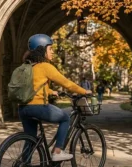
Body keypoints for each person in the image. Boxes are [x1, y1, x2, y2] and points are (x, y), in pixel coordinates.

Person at [18, 34, 92, 162]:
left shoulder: (25, 67)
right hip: (38, 107)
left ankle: (24, 164)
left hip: (23, 108)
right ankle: (57, 151)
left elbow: (33, 86)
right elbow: (66, 83)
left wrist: (51, 91)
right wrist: (84, 91)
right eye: (50, 48)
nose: (52, 51)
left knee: (30, 139)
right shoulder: (46, 67)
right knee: (65, 118)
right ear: (42, 49)